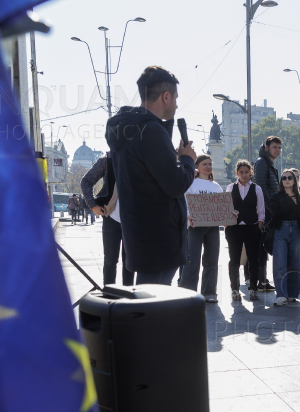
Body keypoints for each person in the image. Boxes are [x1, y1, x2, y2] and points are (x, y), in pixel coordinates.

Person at [105, 66, 196, 285]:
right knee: (152, 310)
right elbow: (175, 185)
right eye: (175, 98)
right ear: (166, 97)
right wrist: (186, 160)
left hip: (141, 235)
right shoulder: (151, 131)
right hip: (159, 239)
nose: (176, 104)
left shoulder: (128, 128)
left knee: (147, 304)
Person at [81, 153, 134, 286]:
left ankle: (128, 299)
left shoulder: (139, 158)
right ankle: (109, 297)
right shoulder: (106, 160)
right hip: (111, 218)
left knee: (130, 263)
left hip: (133, 220)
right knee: (110, 262)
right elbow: (85, 181)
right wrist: (92, 205)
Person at [178, 155, 223, 302]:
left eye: (210, 164)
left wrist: (229, 214)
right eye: (205, 164)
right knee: (192, 260)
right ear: (197, 166)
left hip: (213, 228)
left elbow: (222, 207)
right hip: (194, 227)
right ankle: (187, 293)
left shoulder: (216, 186)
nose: (208, 166)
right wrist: (189, 215)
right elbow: (184, 203)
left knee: (212, 260)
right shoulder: (191, 184)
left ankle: (209, 293)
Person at [225, 159, 265, 301]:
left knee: (253, 260)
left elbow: (261, 211)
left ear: (250, 173)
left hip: (251, 228)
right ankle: (235, 290)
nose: (244, 175)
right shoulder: (230, 188)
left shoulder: (257, 189)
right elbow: (225, 208)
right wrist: (226, 224)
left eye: (246, 172)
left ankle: (253, 289)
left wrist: (258, 227)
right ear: (237, 173)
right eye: (241, 172)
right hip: (233, 229)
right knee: (234, 260)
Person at [267, 169, 300, 305]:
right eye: (284, 178)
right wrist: (288, 201)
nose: (287, 180)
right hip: (280, 229)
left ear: (294, 180)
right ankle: (281, 294)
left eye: (290, 177)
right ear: (281, 181)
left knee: (294, 262)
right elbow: (274, 211)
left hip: (295, 230)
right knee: (280, 263)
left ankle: (293, 293)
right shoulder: (276, 196)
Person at [253, 135, 281, 291]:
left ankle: (263, 281)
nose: (277, 150)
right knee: (262, 247)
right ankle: (261, 281)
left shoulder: (269, 164)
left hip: (268, 209)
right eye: (274, 147)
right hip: (265, 211)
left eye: (279, 147)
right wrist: (272, 208)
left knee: (264, 247)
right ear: (267, 148)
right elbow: (262, 187)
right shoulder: (261, 162)